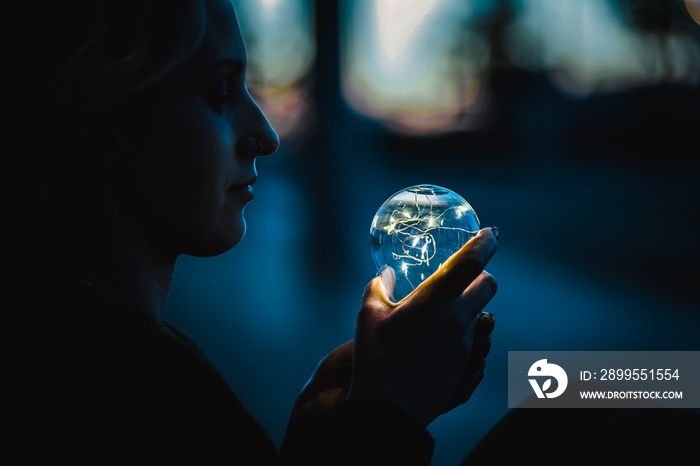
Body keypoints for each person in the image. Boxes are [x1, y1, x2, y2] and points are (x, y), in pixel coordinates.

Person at [2, 1, 499, 464]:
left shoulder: (94, 347)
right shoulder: (93, 388)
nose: (266, 135)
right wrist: (389, 413)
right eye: (221, 93)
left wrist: (320, 441)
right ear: (100, 124)